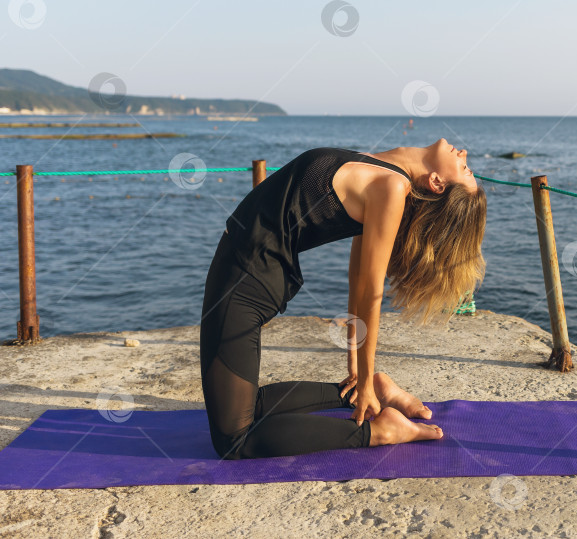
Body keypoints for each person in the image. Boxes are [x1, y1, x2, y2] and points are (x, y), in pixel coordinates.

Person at [199, 138, 487, 459]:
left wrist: (363, 376)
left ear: (437, 182)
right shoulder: (377, 166)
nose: (463, 153)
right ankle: (365, 392)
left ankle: (379, 431)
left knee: (234, 440)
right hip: (244, 268)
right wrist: (358, 371)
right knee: (242, 406)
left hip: (245, 279)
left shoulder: (391, 187)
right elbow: (357, 276)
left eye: (464, 168)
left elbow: (371, 292)